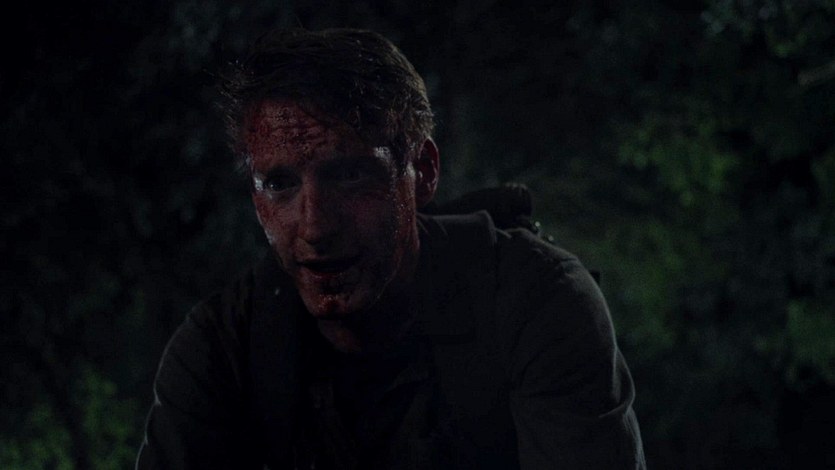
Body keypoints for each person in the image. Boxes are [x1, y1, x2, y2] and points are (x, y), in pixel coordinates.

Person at [136, 28, 645, 469]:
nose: (314, 226)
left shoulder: (533, 302)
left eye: (349, 175)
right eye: (279, 185)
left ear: (422, 171)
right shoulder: (222, 347)